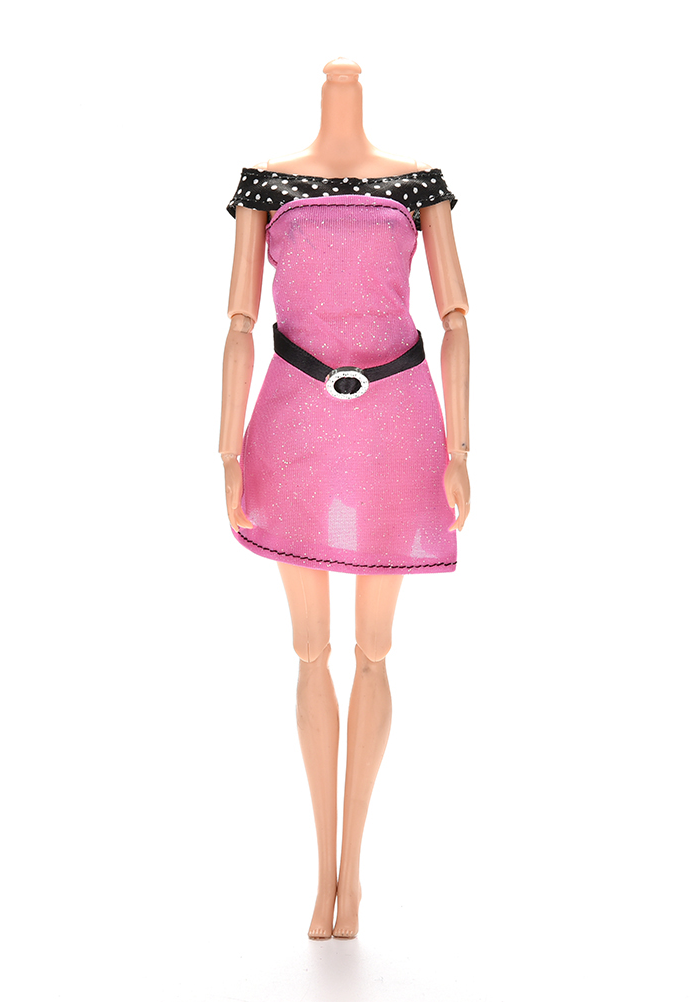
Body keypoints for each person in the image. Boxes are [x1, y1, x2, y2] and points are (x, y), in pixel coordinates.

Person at [218, 57, 471, 940]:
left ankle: (351, 877)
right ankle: (318, 873)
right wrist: (226, 452)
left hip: (400, 421)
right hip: (292, 419)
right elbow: (239, 321)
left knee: (373, 650)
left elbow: (457, 319)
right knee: (308, 649)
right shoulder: (265, 184)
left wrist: (462, 449)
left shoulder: (418, 184)